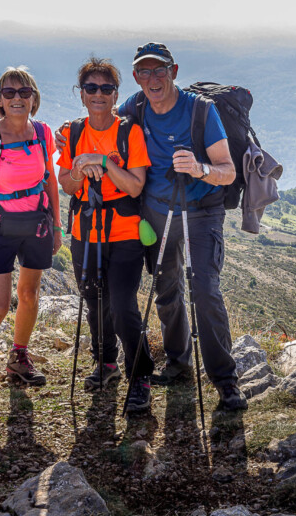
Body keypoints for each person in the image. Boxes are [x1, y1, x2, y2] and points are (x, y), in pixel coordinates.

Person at [56, 42, 248, 411]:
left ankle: (225, 381)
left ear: (173, 71)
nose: (152, 78)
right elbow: (102, 118)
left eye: (159, 70)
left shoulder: (200, 111)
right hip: (157, 213)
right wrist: (66, 132)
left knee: (204, 290)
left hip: (201, 211)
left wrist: (200, 169)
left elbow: (228, 171)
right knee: (166, 290)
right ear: (136, 77)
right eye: (144, 71)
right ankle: (177, 362)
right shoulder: (137, 106)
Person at [58, 57, 154, 413]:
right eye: (91, 88)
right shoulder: (73, 132)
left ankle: (140, 375)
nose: (98, 94)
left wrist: (104, 162)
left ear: (116, 95)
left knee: (123, 303)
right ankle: (106, 363)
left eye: (106, 88)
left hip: (125, 232)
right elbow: (67, 184)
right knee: (94, 300)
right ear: (81, 94)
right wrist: (79, 171)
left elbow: (135, 186)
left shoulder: (129, 133)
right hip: (85, 230)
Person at [0, 67, 63, 401]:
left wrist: (57, 226)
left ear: (34, 98)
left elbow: (50, 180)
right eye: (9, 93)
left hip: (37, 223)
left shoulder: (43, 132)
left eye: (24, 92)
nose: (17, 98)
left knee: (30, 294)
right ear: (0, 100)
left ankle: (19, 357)